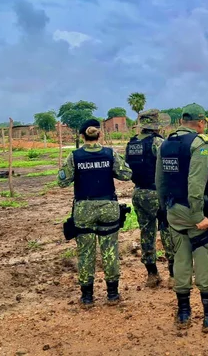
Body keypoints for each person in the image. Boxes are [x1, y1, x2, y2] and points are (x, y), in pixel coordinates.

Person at [155, 103, 208, 332]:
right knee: (203, 259)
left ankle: (183, 313)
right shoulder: (200, 144)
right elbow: (196, 185)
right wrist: (199, 216)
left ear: (181, 122)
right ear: (200, 122)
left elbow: (160, 182)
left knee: (181, 259)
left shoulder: (165, 144)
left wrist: (164, 210)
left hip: (174, 211)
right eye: (204, 123)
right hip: (194, 211)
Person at [58, 119, 132, 307]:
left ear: (82, 136)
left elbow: (62, 181)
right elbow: (126, 174)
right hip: (108, 207)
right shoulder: (109, 154)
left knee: (85, 253)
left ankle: (87, 297)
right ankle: (113, 295)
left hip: (83, 210)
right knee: (110, 251)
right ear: (100, 134)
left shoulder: (75, 156)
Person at [125, 109, 175, 288]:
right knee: (167, 230)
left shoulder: (132, 144)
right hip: (157, 194)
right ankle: (173, 274)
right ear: (156, 126)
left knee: (147, 232)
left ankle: (152, 274)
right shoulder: (158, 143)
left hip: (139, 193)